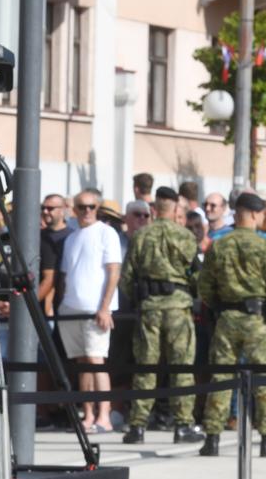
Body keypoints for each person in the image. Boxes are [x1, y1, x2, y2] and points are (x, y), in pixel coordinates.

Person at [197, 191, 266, 458]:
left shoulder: (218, 244)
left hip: (226, 320)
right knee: (264, 379)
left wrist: (220, 307)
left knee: (221, 377)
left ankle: (212, 438)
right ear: (253, 214)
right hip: (257, 320)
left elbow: (204, 286)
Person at [122, 188, 202, 444]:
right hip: (178, 308)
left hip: (149, 309)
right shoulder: (186, 236)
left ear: (155, 209)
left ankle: (137, 427)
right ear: (176, 209)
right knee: (182, 368)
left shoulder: (141, 236)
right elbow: (197, 276)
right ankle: (183, 425)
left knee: (146, 368)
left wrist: (141, 301)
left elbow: (127, 279)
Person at [57, 188, 122, 432]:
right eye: (81, 207)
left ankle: (104, 415)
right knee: (82, 361)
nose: (86, 211)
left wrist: (105, 308)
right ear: (74, 210)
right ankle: (88, 415)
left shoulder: (107, 233)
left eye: (91, 207)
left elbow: (113, 272)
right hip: (71, 308)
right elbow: (65, 276)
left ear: (97, 209)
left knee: (97, 359)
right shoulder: (72, 237)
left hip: (95, 310)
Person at [36, 193, 70, 316]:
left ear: (63, 210)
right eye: (43, 208)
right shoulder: (38, 235)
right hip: (42, 303)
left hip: (65, 299)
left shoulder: (72, 236)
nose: (45, 211)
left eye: (50, 208)